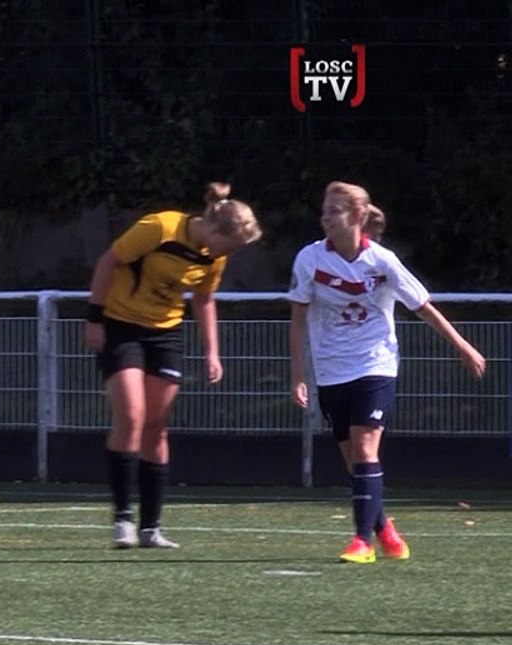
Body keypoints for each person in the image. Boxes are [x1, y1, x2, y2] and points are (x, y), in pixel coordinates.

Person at [287, 181, 486, 564]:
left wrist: (463, 346)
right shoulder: (309, 260)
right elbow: (297, 319)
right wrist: (298, 374)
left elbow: (423, 306)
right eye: (325, 210)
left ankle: (362, 541)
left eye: (335, 211)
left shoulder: (382, 261)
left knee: (365, 448)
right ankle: (383, 528)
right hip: (331, 370)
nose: (325, 218)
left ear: (358, 217)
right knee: (355, 462)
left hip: (375, 364)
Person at [85, 183, 262, 549]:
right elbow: (109, 261)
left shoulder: (215, 256)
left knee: (156, 426)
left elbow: (204, 300)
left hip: (165, 335)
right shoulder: (160, 227)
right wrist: (94, 319)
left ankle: (151, 527)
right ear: (215, 230)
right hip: (122, 325)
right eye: (230, 246)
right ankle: (123, 520)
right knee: (131, 416)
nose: (230, 254)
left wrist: (212, 352)